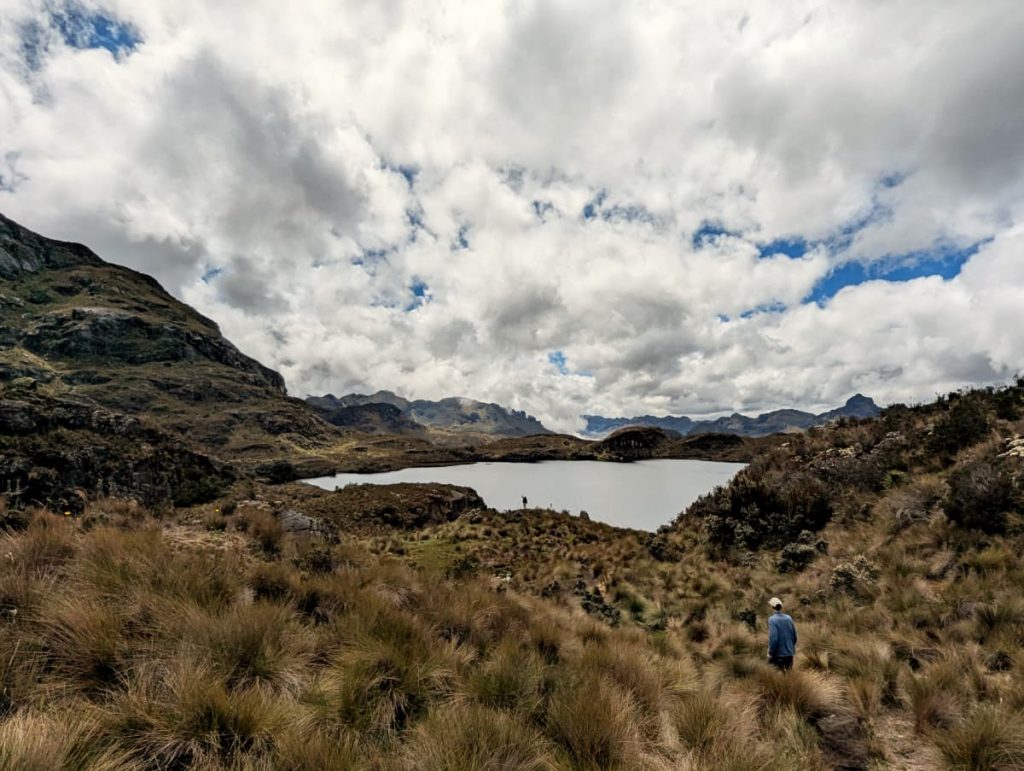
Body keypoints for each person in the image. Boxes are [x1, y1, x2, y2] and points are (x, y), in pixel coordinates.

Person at [767, 597, 797, 671]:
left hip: (778, 654)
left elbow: (774, 638)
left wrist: (771, 652)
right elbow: (794, 636)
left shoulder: (772, 619)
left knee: (775, 675)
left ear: (772, 607)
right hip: (789, 653)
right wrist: (791, 647)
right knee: (789, 676)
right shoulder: (789, 618)